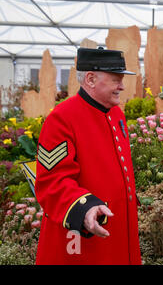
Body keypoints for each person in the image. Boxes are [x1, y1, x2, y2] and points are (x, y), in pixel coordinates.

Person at [34, 47, 141, 265]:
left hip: (118, 236)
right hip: (82, 242)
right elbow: (51, 182)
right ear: (90, 79)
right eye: (115, 79)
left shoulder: (116, 113)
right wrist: (85, 208)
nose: (122, 86)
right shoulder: (61, 118)